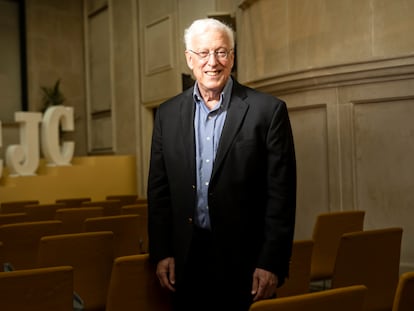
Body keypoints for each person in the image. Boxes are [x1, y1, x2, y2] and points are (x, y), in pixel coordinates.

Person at [147, 18, 296, 311]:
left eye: (221, 52)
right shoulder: (166, 114)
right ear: (189, 59)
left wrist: (271, 262)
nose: (212, 62)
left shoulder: (268, 111)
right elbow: (159, 191)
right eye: (203, 53)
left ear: (232, 57)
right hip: (186, 260)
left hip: (246, 263)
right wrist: (161, 252)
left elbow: (282, 196)